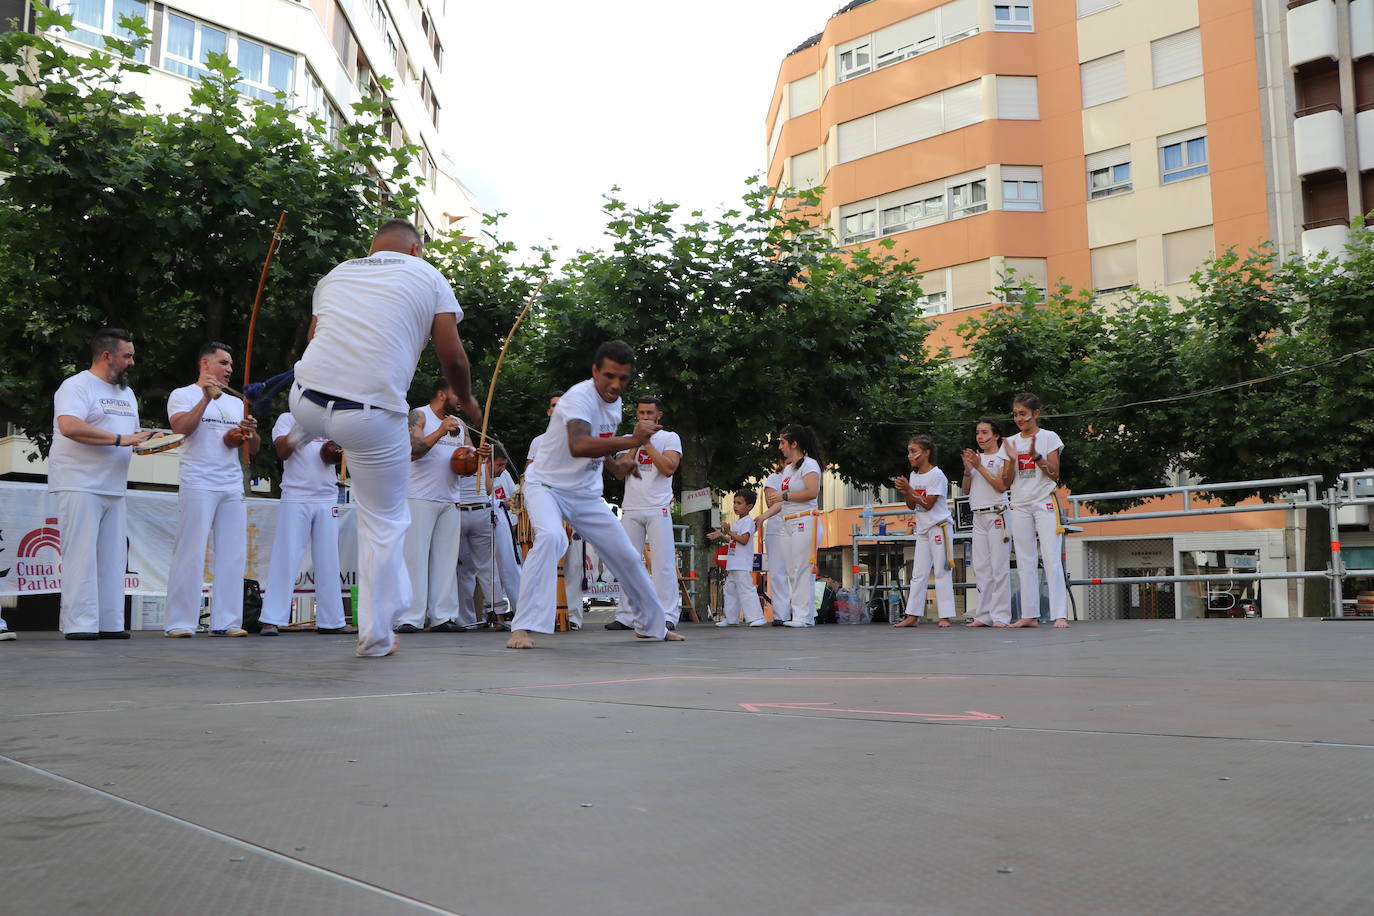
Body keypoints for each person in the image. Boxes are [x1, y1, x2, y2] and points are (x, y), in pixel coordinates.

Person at [288, 219, 482, 657]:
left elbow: (318, 338)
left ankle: (306, 426)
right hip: (369, 415)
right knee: (384, 522)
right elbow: (452, 355)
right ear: (416, 250)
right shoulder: (429, 276)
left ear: (372, 248)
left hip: (305, 399)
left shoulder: (336, 273)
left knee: (327, 417)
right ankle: (376, 635)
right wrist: (467, 400)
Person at [507, 341, 686, 648]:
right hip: (547, 486)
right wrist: (631, 439)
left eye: (623, 378)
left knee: (627, 556)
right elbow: (579, 444)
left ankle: (652, 626)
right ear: (594, 371)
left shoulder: (613, 404)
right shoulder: (578, 398)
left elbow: (600, 445)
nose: (615, 385)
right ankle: (522, 627)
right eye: (609, 376)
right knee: (552, 537)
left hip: (585, 493)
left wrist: (616, 467)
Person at [48, 328, 155, 639]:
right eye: (127, 356)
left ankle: (109, 623)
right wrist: (121, 439)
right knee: (81, 556)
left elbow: (131, 438)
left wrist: (152, 441)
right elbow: (68, 426)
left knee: (112, 560)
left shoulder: (126, 393)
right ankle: (79, 626)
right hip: (79, 482)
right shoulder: (76, 385)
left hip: (114, 486)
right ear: (107, 356)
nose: (132, 362)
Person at [164, 342, 260, 638]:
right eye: (223, 363)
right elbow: (181, 428)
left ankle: (227, 621)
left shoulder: (236, 402)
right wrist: (205, 399)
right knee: (190, 551)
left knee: (233, 554)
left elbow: (252, 448)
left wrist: (250, 432)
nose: (230, 369)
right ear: (205, 364)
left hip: (230, 483)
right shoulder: (183, 395)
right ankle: (180, 622)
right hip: (198, 481)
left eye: (231, 364)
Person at [258, 411, 355, 636]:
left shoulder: (331, 420)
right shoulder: (288, 418)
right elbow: (282, 451)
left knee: (329, 560)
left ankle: (332, 621)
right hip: (296, 496)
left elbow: (340, 452)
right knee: (287, 556)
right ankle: (272, 618)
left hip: (327, 496)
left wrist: (336, 450)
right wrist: (302, 430)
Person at [397, 378, 481, 633]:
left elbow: (467, 459)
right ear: (442, 394)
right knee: (415, 558)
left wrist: (478, 457)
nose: (462, 402)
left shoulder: (461, 425)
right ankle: (410, 617)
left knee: (446, 561)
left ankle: (443, 616)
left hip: (450, 498)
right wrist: (441, 430)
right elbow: (413, 450)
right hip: (419, 496)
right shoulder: (419, 414)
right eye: (458, 396)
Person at [608, 396, 682, 632]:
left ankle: (667, 614)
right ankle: (627, 615)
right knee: (627, 562)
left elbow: (669, 468)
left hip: (657, 507)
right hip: (631, 507)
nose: (645, 417)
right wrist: (635, 442)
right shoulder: (631, 439)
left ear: (659, 415)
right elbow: (619, 472)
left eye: (650, 413)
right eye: (641, 413)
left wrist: (647, 443)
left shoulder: (670, 437)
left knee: (663, 564)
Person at [1004, 392, 1070, 628]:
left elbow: (1054, 473)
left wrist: (1038, 457)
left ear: (1036, 413)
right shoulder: (1010, 442)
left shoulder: (1049, 437)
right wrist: (1011, 460)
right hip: (1019, 503)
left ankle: (1059, 613)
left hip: (1044, 501)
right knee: (1024, 559)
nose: (1019, 419)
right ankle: (1029, 614)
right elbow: (1005, 482)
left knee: (1051, 557)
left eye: (1023, 414)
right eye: (1015, 414)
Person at [892, 436, 955, 628]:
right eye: (909, 451)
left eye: (913, 451)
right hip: (923, 528)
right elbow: (912, 505)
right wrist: (905, 491)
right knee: (918, 572)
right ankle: (913, 615)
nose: (910, 456)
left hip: (939, 526)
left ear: (926, 452)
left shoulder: (937, 475)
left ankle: (944, 616)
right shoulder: (915, 475)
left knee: (942, 570)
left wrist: (909, 488)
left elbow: (928, 504)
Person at [963, 418, 1013, 628]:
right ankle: (983, 614)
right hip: (978, 515)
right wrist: (967, 470)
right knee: (981, 567)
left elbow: (1001, 486)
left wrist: (979, 466)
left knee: (999, 566)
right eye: (978, 433)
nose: (980, 437)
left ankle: (1001, 615)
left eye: (984, 432)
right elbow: (966, 489)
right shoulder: (976, 458)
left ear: (996, 435)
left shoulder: (1003, 458)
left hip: (997, 514)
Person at [775, 425, 824, 627]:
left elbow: (812, 492)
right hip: (787, 521)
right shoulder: (789, 468)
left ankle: (801, 616)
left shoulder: (810, 465)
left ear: (794, 444)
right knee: (792, 570)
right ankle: (807, 614)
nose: (780, 447)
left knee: (802, 568)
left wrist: (785, 495)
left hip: (804, 520)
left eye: (783, 442)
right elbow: (783, 499)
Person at [455, 446, 508, 630]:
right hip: (481, 510)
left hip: (459, 511)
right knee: (487, 567)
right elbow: (486, 489)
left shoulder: (449, 453)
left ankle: (465, 620)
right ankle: (498, 615)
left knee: (461, 570)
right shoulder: (481, 454)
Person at [708, 490, 778, 627]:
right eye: (734, 502)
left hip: (741, 563)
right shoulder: (737, 523)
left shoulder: (747, 522)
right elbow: (734, 540)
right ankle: (731, 618)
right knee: (730, 590)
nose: (735, 506)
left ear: (749, 506)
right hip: (733, 562)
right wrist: (722, 536)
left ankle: (757, 617)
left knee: (746, 590)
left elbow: (744, 540)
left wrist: (728, 531)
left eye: (739, 503)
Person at [488, 446, 523, 624]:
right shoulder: (475, 473)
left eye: (504, 465)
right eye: (499, 464)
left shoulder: (505, 475)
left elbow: (512, 500)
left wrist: (514, 526)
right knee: (488, 572)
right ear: (488, 462)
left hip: (503, 523)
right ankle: (496, 612)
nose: (502, 469)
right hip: (482, 522)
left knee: (510, 567)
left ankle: (521, 610)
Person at [762, 458, 789, 624]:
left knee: (797, 570)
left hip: (797, 525)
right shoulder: (774, 478)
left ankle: (800, 611)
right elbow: (771, 502)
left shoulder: (803, 476)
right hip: (777, 527)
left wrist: (784, 499)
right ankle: (781, 614)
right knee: (778, 571)